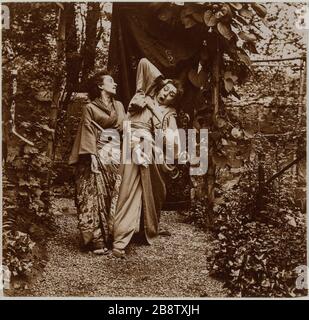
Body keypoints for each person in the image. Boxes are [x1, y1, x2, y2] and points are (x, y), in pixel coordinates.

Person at [111, 58, 183, 258]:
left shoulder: (168, 113)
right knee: (128, 190)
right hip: (131, 146)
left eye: (171, 95)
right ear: (160, 86)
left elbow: (171, 138)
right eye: (166, 89)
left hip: (147, 148)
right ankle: (119, 240)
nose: (166, 94)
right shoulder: (141, 96)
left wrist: (173, 156)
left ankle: (144, 229)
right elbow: (143, 63)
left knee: (151, 192)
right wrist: (159, 82)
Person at [69, 71, 126, 255]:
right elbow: (87, 130)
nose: (115, 84)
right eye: (111, 81)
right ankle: (96, 240)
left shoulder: (119, 105)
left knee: (113, 192)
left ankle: (113, 236)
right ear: (100, 86)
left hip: (115, 154)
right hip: (98, 152)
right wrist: (92, 155)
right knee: (94, 195)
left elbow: (126, 128)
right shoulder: (90, 108)